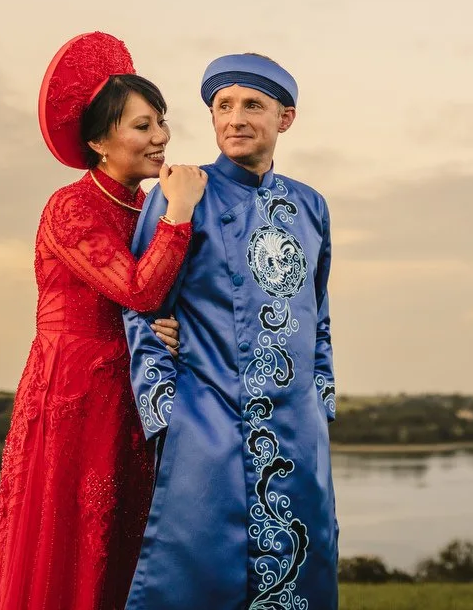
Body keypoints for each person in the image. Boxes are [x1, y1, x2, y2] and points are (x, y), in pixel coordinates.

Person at [0, 32, 208, 610]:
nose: (160, 136)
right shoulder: (71, 207)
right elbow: (138, 289)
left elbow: (161, 301)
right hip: (74, 391)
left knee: (126, 543)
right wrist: (181, 210)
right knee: (69, 541)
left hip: (132, 392)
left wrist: (178, 327)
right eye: (142, 125)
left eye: (161, 120)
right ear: (98, 140)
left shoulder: (145, 205)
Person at [122, 53, 338, 610]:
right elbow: (142, 304)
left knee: (301, 574)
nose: (236, 118)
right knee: (195, 577)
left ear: (284, 119)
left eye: (253, 106)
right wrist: (165, 408)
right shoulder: (180, 191)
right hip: (206, 420)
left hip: (296, 428)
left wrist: (320, 400)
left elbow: (319, 311)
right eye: (223, 106)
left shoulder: (311, 205)